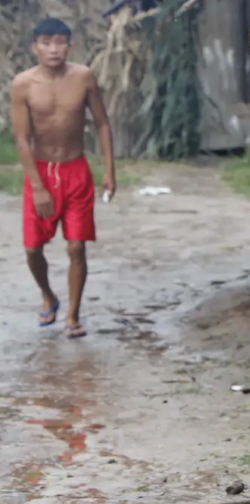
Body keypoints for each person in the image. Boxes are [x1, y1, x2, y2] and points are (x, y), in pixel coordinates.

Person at [11, 18, 115, 338]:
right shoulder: (23, 84)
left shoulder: (83, 78)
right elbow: (22, 139)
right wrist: (38, 187)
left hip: (76, 171)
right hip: (40, 172)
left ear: (69, 45)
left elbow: (101, 124)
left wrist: (109, 169)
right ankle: (48, 296)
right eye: (46, 42)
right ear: (35, 47)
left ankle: (72, 315)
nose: (53, 49)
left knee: (76, 247)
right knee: (32, 250)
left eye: (59, 42)